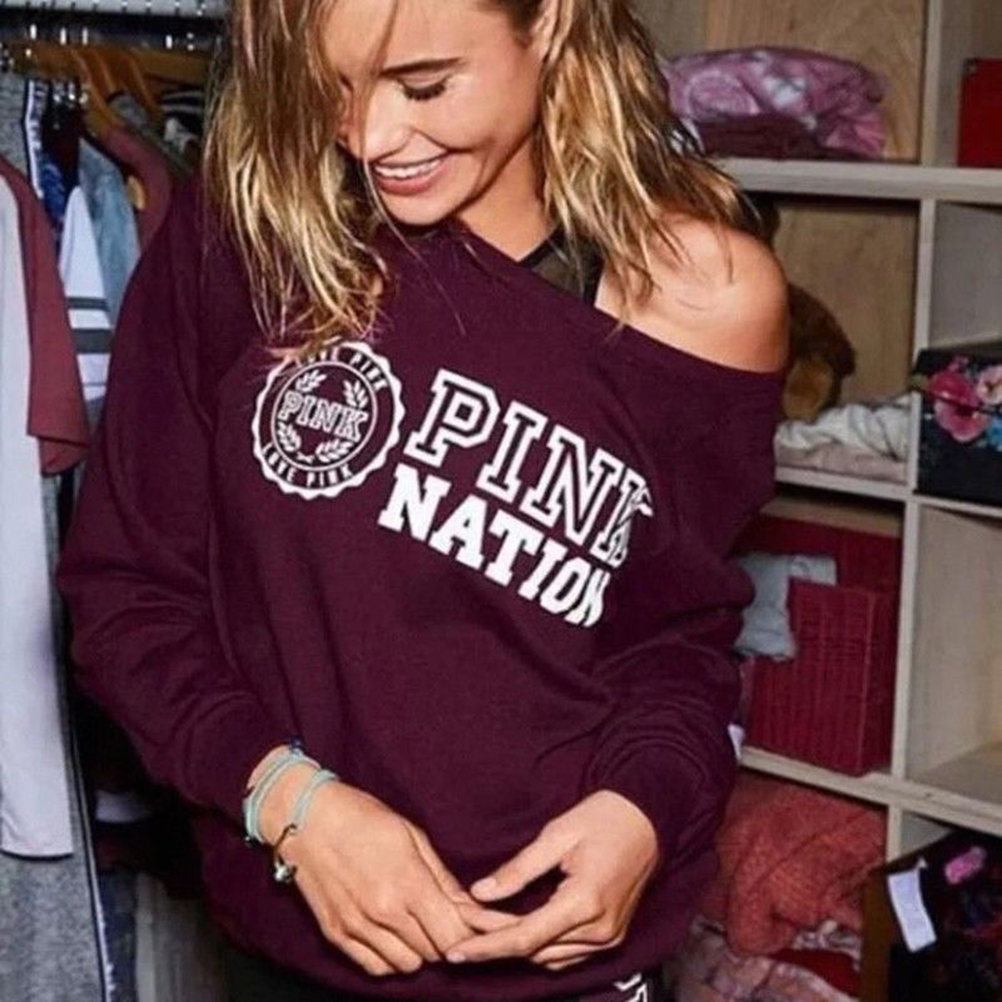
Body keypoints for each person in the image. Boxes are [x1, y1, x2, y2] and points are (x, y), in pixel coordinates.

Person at [55, 1, 790, 1000]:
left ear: (550, 21)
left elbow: (676, 637)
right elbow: (127, 596)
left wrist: (642, 811)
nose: (368, 137)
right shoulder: (245, 243)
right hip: (295, 955)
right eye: (329, 89)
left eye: (426, 85)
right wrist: (287, 801)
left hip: (565, 968)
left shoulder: (705, 299)